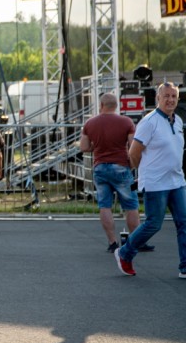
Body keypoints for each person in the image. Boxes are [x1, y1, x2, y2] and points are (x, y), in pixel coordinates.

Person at [115, 82, 186, 279]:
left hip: (177, 181)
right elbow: (134, 152)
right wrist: (144, 172)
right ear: (158, 98)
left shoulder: (178, 121)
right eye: (166, 96)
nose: (170, 99)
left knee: (184, 223)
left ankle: (185, 266)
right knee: (154, 224)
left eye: (174, 96)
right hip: (156, 183)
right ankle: (125, 253)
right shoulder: (149, 122)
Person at [80, 93, 144, 253]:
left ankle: (112, 242)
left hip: (100, 168)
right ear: (116, 106)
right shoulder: (126, 122)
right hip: (121, 167)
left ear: (101, 105)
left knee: (105, 205)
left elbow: (84, 147)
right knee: (131, 205)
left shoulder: (90, 123)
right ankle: (135, 241)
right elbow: (133, 147)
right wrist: (132, 165)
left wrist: (98, 147)